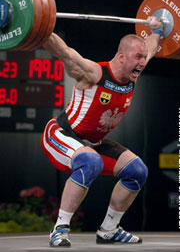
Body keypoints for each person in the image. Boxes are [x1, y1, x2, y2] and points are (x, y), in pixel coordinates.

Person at [41, 15, 163, 247]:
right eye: (138, 57)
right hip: (60, 135)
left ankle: (109, 230)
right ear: (121, 56)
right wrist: (39, 27)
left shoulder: (131, 75)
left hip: (92, 143)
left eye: (144, 58)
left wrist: (159, 28)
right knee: (91, 162)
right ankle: (60, 229)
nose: (143, 62)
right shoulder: (93, 73)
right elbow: (64, 52)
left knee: (137, 171)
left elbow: (151, 46)